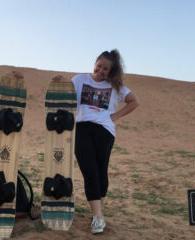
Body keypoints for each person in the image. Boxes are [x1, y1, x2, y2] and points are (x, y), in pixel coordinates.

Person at [71, 49, 139, 234]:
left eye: (105, 69)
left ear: (111, 71)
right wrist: (58, 82)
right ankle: (98, 218)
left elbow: (133, 102)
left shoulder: (115, 87)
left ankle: (98, 212)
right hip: (82, 128)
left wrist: (114, 117)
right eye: (99, 66)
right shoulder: (79, 80)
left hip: (105, 131)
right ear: (95, 63)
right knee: (90, 170)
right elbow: (64, 96)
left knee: (101, 171)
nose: (100, 71)